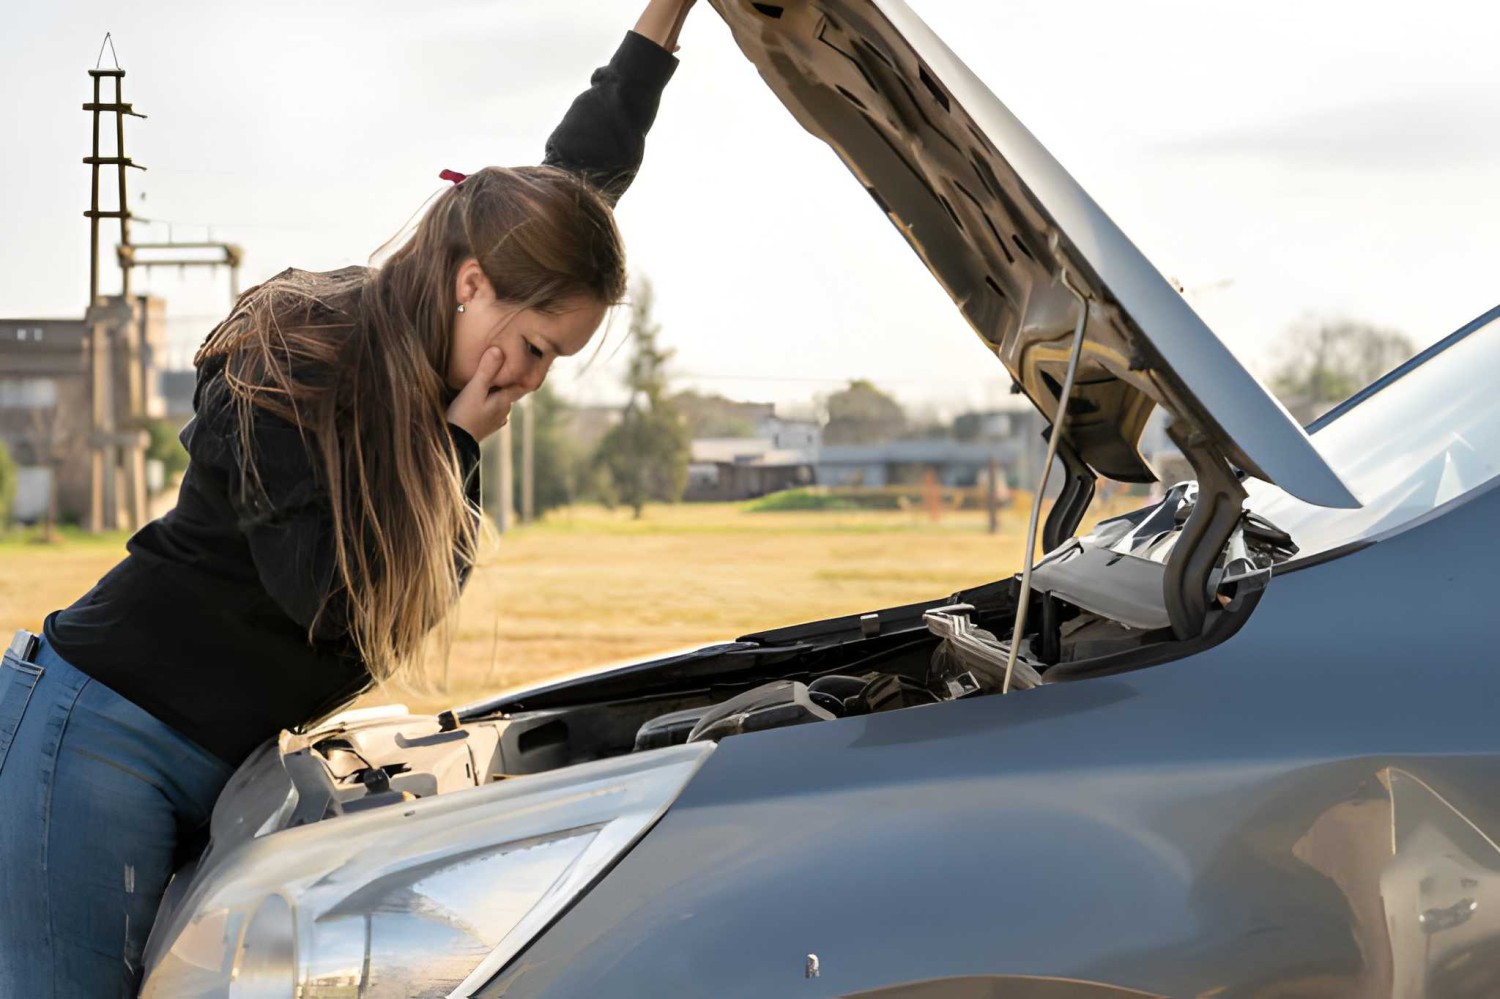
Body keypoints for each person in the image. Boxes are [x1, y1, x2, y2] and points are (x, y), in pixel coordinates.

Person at [0, 1, 695, 994]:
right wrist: (454, 447)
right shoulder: (295, 361)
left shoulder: (457, 319)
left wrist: (666, 18)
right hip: (100, 743)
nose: (534, 380)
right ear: (471, 282)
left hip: (211, 761)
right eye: (538, 347)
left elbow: (582, 172)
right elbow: (331, 599)